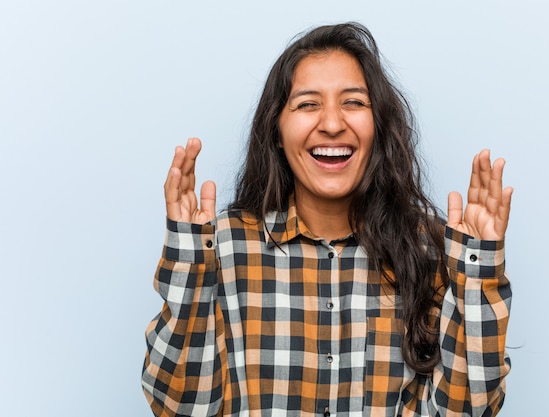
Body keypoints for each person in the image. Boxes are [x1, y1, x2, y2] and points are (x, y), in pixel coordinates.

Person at [142, 22, 513, 417]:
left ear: (380, 126)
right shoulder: (223, 247)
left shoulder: (430, 251)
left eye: (354, 102)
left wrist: (478, 270)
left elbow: (464, 412)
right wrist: (189, 263)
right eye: (307, 104)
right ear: (277, 132)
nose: (333, 124)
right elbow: (181, 408)